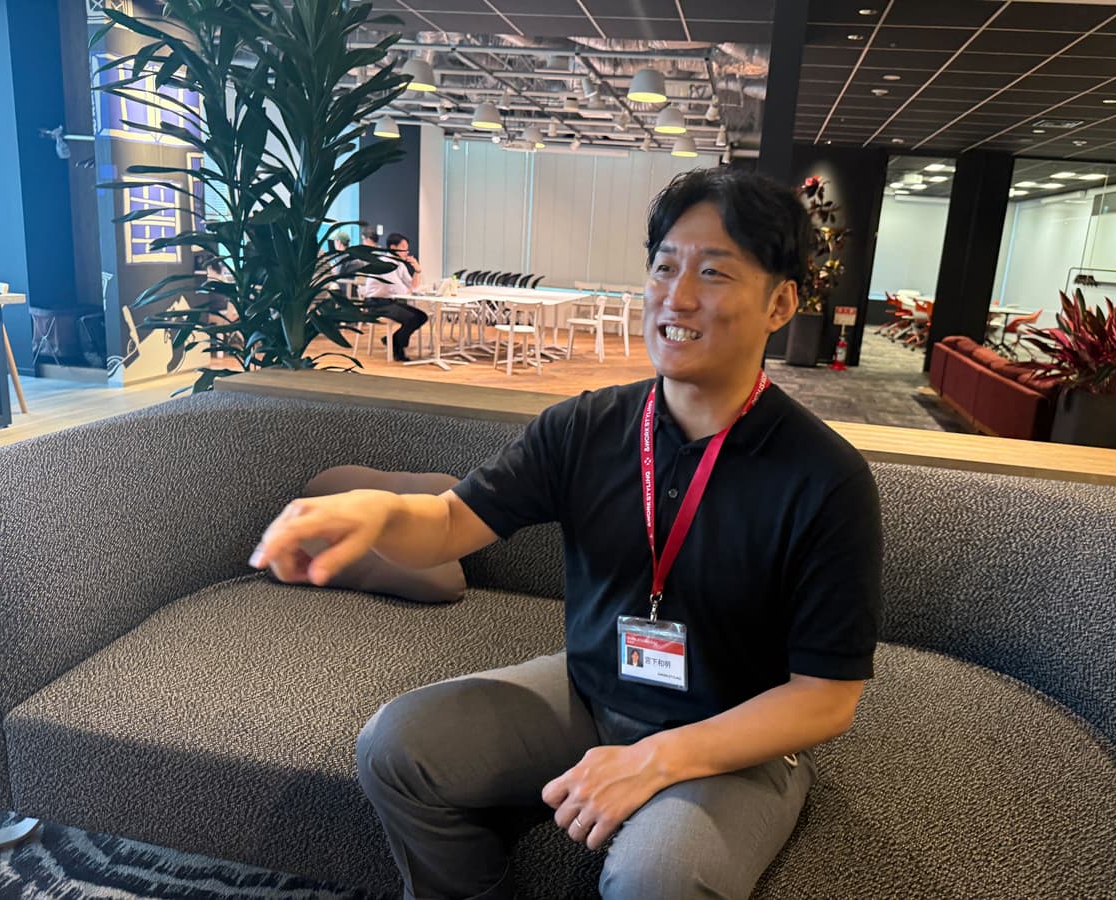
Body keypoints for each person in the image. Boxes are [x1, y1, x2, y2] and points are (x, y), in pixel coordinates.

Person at [248, 168, 883, 899]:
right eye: (664, 267)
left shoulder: (824, 478)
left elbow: (825, 700)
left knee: (661, 877)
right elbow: (453, 523)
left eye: (713, 273)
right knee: (399, 748)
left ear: (779, 303)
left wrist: (660, 758)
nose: (676, 297)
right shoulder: (586, 428)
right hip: (589, 693)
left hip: (737, 739)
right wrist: (380, 512)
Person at [359, 230, 428, 362]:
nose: (406, 252)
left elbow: (413, 286)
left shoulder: (400, 265)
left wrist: (417, 270)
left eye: (407, 249)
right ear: (392, 248)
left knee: (421, 316)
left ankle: (391, 340)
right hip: (375, 304)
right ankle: (398, 349)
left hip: (389, 302)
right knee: (411, 318)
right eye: (403, 249)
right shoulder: (384, 264)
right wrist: (410, 290)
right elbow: (402, 290)